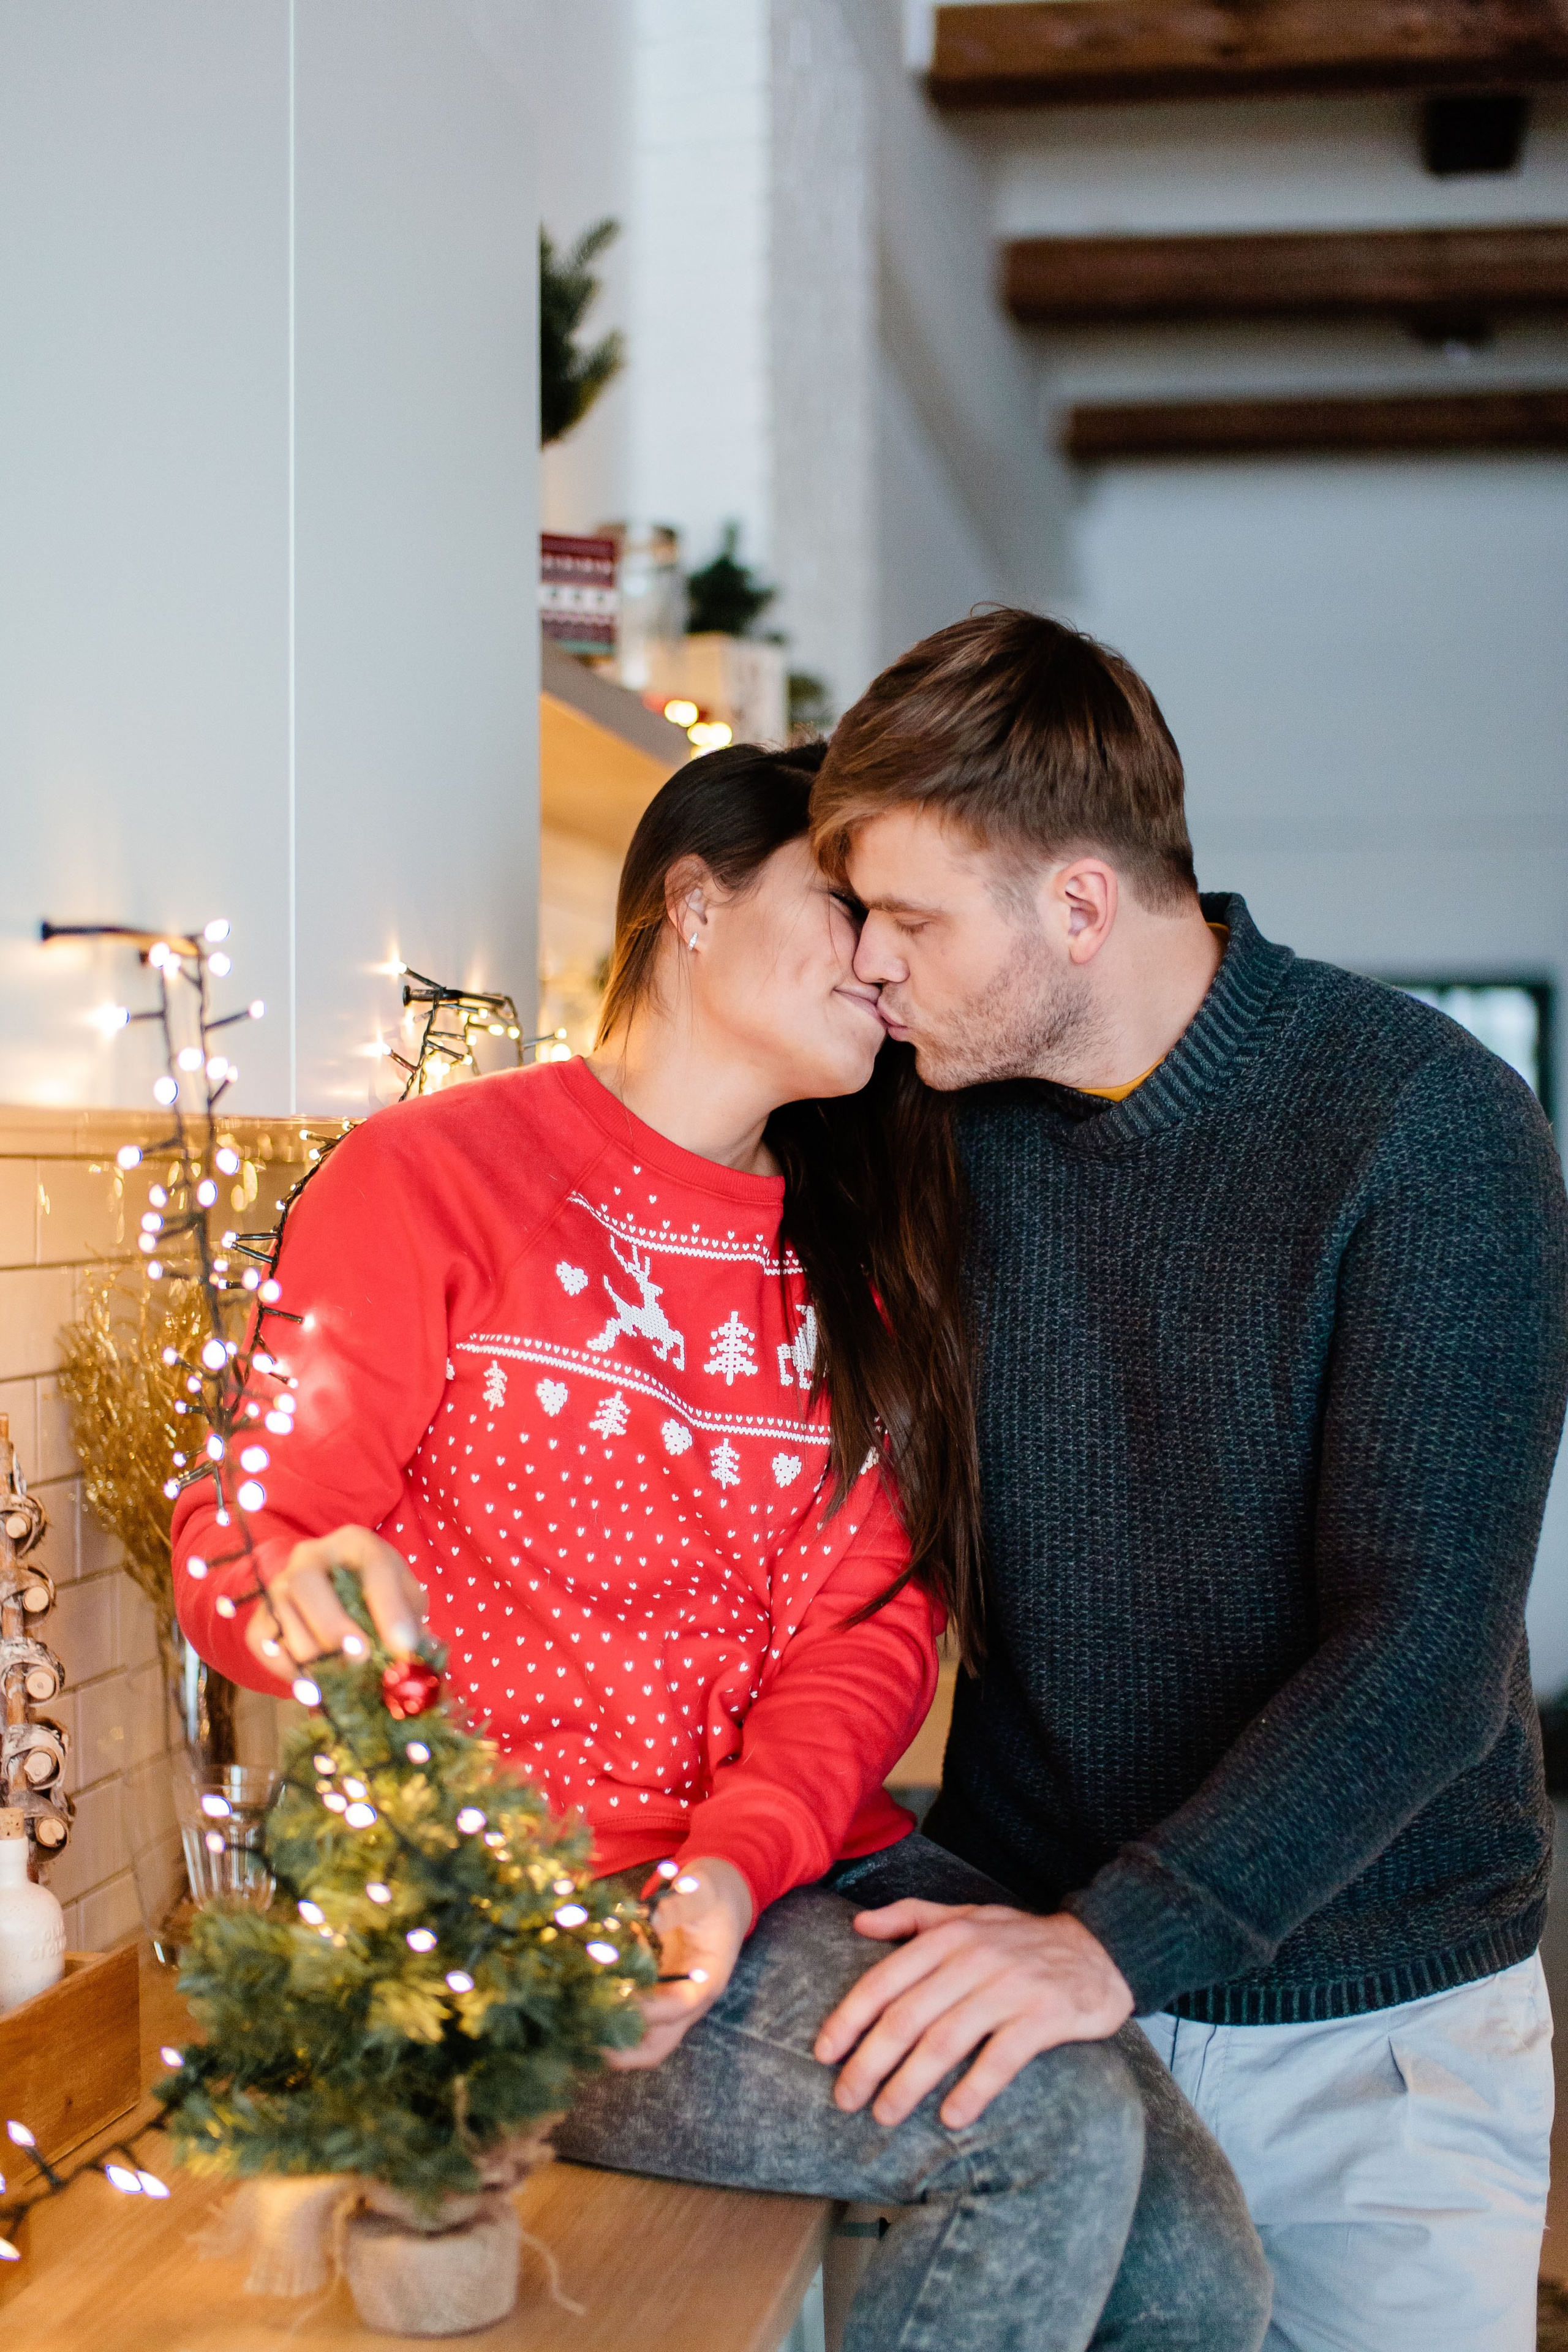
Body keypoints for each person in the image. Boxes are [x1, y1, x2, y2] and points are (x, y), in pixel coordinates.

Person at [172, 741, 1272, 2352]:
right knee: (1050, 2135)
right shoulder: (431, 1179)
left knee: (1200, 2276)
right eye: (847, 904)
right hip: (518, 1933)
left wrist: (736, 1858)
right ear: (693, 899)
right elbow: (251, 1528)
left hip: (776, 1885)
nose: (886, 960)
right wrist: (295, 1586)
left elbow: (872, 1634)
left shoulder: (867, 1262)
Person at [803, 609, 1568, 2352]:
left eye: (912, 919)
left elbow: (1429, 1646)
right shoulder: (937, 1113)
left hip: (1364, 2033)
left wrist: (1117, 1942)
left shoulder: (1425, 1128)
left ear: (1077, 904)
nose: (880, 968)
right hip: (1036, 1990)